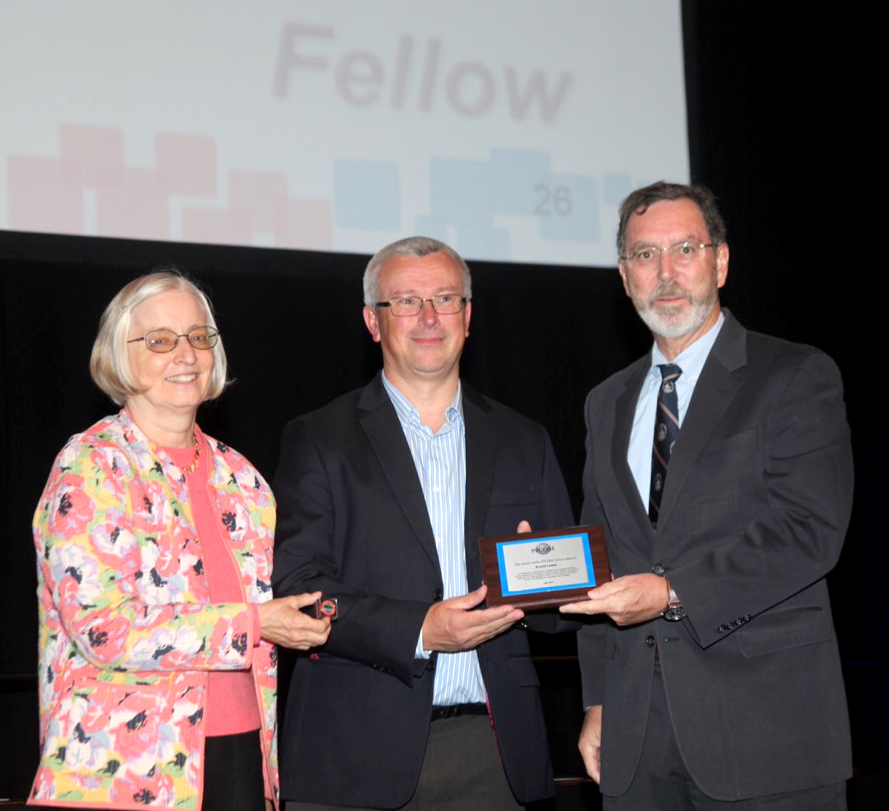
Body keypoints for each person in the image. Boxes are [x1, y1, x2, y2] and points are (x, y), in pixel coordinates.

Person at [560, 182, 853, 809]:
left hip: (767, 729)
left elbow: (808, 530)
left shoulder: (795, 375)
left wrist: (671, 592)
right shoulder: (606, 402)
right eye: (644, 255)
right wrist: (599, 700)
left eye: (684, 250)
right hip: (636, 740)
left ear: (720, 261)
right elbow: (599, 556)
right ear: (623, 274)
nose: (665, 274)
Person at [272, 236, 574, 810]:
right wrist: (420, 629)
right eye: (406, 302)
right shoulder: (318, 439)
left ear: (468, 316)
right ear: (373, 321)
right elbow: (299, 592)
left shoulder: (523, 440)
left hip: (495, 756)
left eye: (445, 298)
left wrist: (546, 589)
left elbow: (562, 614)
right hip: (354, 757)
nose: (429, 317)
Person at [30, 270, 331, 810]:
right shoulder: (93, 465)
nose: (185, 354)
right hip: (121, 769)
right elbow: (104, 628)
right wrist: (256, 622)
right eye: (160, 340)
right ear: (120, 357)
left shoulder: (243, 478)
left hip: (241, 756)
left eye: (198, 337)